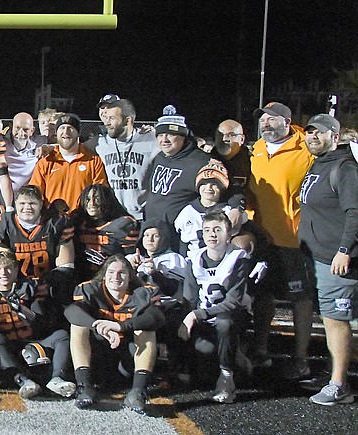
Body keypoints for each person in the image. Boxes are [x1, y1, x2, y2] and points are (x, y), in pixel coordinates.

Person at [247, 102, 316, 377]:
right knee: (263, 296)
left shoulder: (306, 148)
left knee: (301, 299)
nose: (265, 124)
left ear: (287, 122)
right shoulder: (259, 150)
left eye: (272, 119)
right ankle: (260, 349)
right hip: (263, 238)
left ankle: (301, 358)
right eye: (262, 119)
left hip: (295, 241)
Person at [296, 114, 357, 405]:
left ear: (335, 136)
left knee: (336, 319)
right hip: (317, 256)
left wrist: (345, 250)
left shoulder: (344, 168)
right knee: (330, 318)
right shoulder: (319, 164)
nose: (313, 137)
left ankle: (339, 385)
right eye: (309, 132)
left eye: (320, 133)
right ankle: (336, 373)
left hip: (336, 258)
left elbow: (355, 212)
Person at [64, 255, 163, 413]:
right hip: (98, 355)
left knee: (145, 329)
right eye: (111, 272)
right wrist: (97, 326)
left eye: (122, 273)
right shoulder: (89, 289)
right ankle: (84, 386)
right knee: (78, 325)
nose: (115, 277)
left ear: (130, 276)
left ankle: (138, 391)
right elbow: (71, 312)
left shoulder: (144, 292)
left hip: (129, 356)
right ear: (104, 274)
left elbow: (157, 317)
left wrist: (120, 326)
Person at [0, 252, 75, 399]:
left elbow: (42, 324)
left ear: (16, 270)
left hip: (34, 339)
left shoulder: (28, 289)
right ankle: (24, 382)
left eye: (8, 268)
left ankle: (57, 379)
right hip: (10, 346)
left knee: (61, 336)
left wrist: (21, 309)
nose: (3, 273)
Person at [178, 211, 253, 404]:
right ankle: (232, 356)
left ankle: (227, 377)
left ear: (229, 234)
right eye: (208, 230)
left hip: (231, 318)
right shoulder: (194, 259)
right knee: (203, 354)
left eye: (218, 230)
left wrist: (197, 314)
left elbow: (233, 302)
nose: (212, 234)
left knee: (224, 323)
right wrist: (187, 320)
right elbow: (190, 297)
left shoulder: (238, 258)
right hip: (203, 318)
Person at [142, 106, 217, 231]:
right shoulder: (159, 157)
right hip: (153, 232)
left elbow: (228, 190)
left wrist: (237, 207)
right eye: (160, 135)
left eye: (170, 134)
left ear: (183, 136)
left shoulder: (202, 161)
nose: (164, 139)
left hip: (180, 235)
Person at [91, 96, 159, 219]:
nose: (107, 123)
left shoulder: (152, 139)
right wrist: (49, 147)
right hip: (115, 218)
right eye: (106, 118)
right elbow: (72, 148)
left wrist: (204, 147)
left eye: (112, 118)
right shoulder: (100, 143)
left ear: (128, 120)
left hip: (144, 217)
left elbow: (177, 146)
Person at [28, 114, 108, 213]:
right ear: (56, 133)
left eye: (70, 128)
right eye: (62, 128)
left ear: (78, 133)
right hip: (54, 221)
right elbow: (35, 194)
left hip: (83, 222)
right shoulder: (45, 162)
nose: (65, 132)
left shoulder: (93, 160)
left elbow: (100, 193)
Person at [71, 184, 139, 280]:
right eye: (88, 199)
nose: (92, 203)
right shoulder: (76, 221)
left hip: (113, 278)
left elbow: (130, 257)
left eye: (97, 198)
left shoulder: (124, 224)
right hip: (82, 276)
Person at [3, 112, 45, 193]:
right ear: (11, 127)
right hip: (2, 198)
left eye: (26, 129)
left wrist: (47, 147)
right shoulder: (0, 145)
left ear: (32, 131)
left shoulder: (38, 146)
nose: (21, 133)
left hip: (26, 199)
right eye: (17, 128)